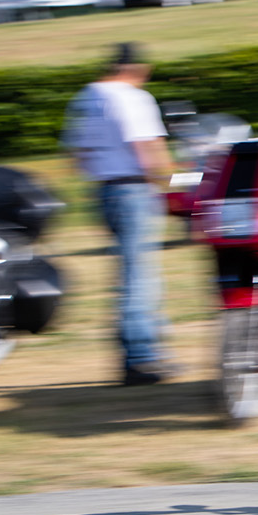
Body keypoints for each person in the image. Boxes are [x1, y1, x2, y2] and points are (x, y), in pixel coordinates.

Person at [62, 43, 175, 385]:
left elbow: (78, 155)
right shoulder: (132, 97)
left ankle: (150, 351)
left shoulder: (86, 97)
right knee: (139, 275)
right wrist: (169, 180)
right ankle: (141, 358)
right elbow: (148, 146)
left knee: (131, 272)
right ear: (135, 69)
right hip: (134, 190)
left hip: (104, 191)